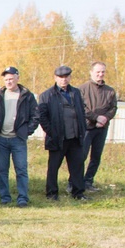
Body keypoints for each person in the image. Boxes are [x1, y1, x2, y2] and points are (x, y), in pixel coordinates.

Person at [0, 67, 39, 207]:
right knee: (2, 170)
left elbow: (36, 115)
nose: (8, 82)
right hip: (1, 139)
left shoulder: (27, 96)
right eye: (6, 79)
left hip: (18, 139)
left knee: (21, 169)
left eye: (11, 79)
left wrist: (27, 131)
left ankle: (22, 198)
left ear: (17, 78)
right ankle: (5, 197)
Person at [38, 65, 89, 201]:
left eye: (66, 77)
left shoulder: (76, 93)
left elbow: (82, 112)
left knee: (77, 166)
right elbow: (42, 117)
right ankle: (52, 194)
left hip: (75, 137)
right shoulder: (46, 95)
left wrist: (82, 129)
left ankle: (78, 193)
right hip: (57, 138)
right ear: (55, 78)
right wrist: (52, 132)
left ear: (70, 77)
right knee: (53, 167)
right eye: (61, 77)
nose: (64, 79)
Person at [78, 62, 118, 192]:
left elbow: (113, 108)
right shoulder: (82, 89)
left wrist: (105, 118)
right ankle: (74, 182)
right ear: (91, 72)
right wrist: (96, 117)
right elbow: (80, 108)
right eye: (98, 72)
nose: (100, 74)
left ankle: (88, 181)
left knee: (96, 156)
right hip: (86, 128)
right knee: (80, 156)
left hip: (102, 128)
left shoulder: (110, 91)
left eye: (103, 72)